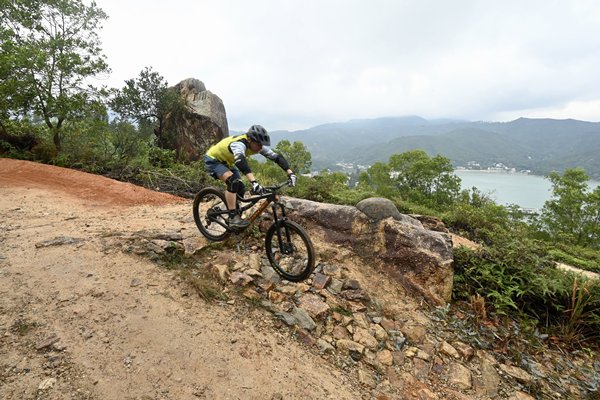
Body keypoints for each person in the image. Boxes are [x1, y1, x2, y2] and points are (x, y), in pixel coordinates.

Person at [204, 125, 297, 229]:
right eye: (258, 144)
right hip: (213, 160)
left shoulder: (257, 146)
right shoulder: (239, 144)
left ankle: (235, 211)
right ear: (250, 140)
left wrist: (290, 173)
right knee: (233, 182)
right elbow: (240, 161)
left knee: (241, 187)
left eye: (262, 144)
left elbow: (277, 157)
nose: (261, 147)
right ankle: (233, 217)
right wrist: (254, 183)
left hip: (228, 163)